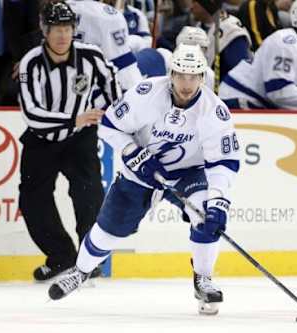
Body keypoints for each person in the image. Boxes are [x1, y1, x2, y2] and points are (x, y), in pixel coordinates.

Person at [47, 43, 240, 316]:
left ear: (202, 77)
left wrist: (219, 200)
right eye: (181, 76)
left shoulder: (214, 110)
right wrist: (132, 153)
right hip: (141, 172)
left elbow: (222, 162)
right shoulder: (146, 92)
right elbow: (110, 126)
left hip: (189, 173)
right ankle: (80, 272)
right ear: (171, 74)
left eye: (193, 76)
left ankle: (203, 279)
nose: (187, 84)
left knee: (206, 213)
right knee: (109, 230)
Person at [18, 1, 121, 282]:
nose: (62, 35)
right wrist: (74, 118)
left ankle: (88, 259)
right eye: (56, 29)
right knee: (32, 200)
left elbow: (112, 88)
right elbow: (32, 113)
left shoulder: (91, 56)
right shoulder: (31, 62)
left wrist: (116, 117)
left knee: (89, 194)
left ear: (75, 29)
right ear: (44, 30)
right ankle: (61, 256)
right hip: (42, 141)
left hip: (80, 139)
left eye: (67, 28)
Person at [66, 0, 143, 93]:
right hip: (93, 92)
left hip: (57, 85)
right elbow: (125, 70)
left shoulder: (54, 9)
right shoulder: (108, 16)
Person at [191, 0, 252, 82]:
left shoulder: (230, 29)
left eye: (194, 2)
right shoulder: (197, 28)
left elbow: (240, 75)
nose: (191, 7)